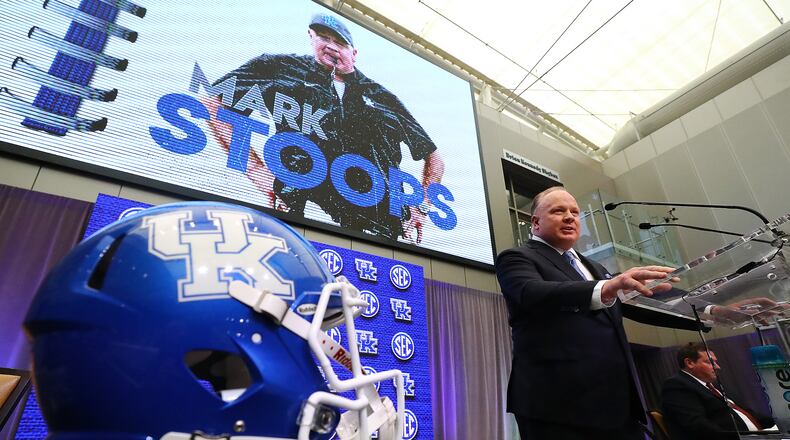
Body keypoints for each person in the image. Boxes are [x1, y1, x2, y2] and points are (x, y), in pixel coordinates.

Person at [203, 12, 444, 243]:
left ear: (354, 53)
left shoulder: (382, 98)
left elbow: (434, 159)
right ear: (311, 37)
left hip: (379, 228)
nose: (331, 46)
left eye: (340, 42)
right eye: (323, 37)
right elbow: (214, 102)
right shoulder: (279, 68)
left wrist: (421, 207)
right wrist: (256, 171)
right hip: (300, 215)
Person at [495, 186, 703, 440]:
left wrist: (710, 309)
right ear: (536, 223)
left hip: (617, 405)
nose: (570, 217)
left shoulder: (593, 266)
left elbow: (635, 300)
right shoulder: (516, 258)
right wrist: (608, 286)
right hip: (557, 408)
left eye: (574, 212)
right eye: (558, 211)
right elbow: (531, 293)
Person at [661, 342, 775, 440]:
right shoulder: (676, 385)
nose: (717, 367)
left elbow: (750, 413)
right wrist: (751, 437)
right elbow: (700, 427)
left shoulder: (714, 386)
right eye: (710, 362)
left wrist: (778, 425)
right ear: (690, 363)